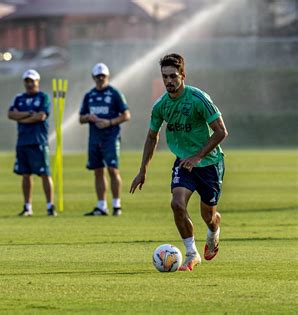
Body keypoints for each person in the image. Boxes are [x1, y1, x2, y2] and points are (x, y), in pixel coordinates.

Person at [130, 53, 228, 271]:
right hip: (184, 163)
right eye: (164, 77)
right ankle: (191, 254)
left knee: (208, 216)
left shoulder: (198, 98)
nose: (168, 81)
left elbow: (221, 132)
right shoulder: (161, 106)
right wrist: (142, 171)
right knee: (177, 204)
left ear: (183, 75)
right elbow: (151, 137)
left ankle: (214, 230)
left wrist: (198, 156)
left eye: (173, 76)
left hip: (210, 163)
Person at [79, 63, 131, 216]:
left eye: (103, 76)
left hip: (111, 138)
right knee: (97, 171)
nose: (100, 79)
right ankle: (101, 206)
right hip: (94, 138)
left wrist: (109, 122)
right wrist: (89, 117)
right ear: (93, 77)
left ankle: (117, 205)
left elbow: (126, 114)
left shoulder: (114, 93)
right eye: (97, 76)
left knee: (113, 170)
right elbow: (81, 118)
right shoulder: (89, 95)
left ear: (107, 76)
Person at [8, 69, 56, 217]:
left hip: (38, 142)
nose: (29, 84)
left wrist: (21, 118)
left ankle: (50, 206)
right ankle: (27, 207)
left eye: (32, 81)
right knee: (25, 174)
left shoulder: (43, 97)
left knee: (44, 174)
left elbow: (41, 116)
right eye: (27, 81)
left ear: (37, 82)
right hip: (22, 142)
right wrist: (29, 114)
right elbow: (10, 114)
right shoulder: (18, 98)